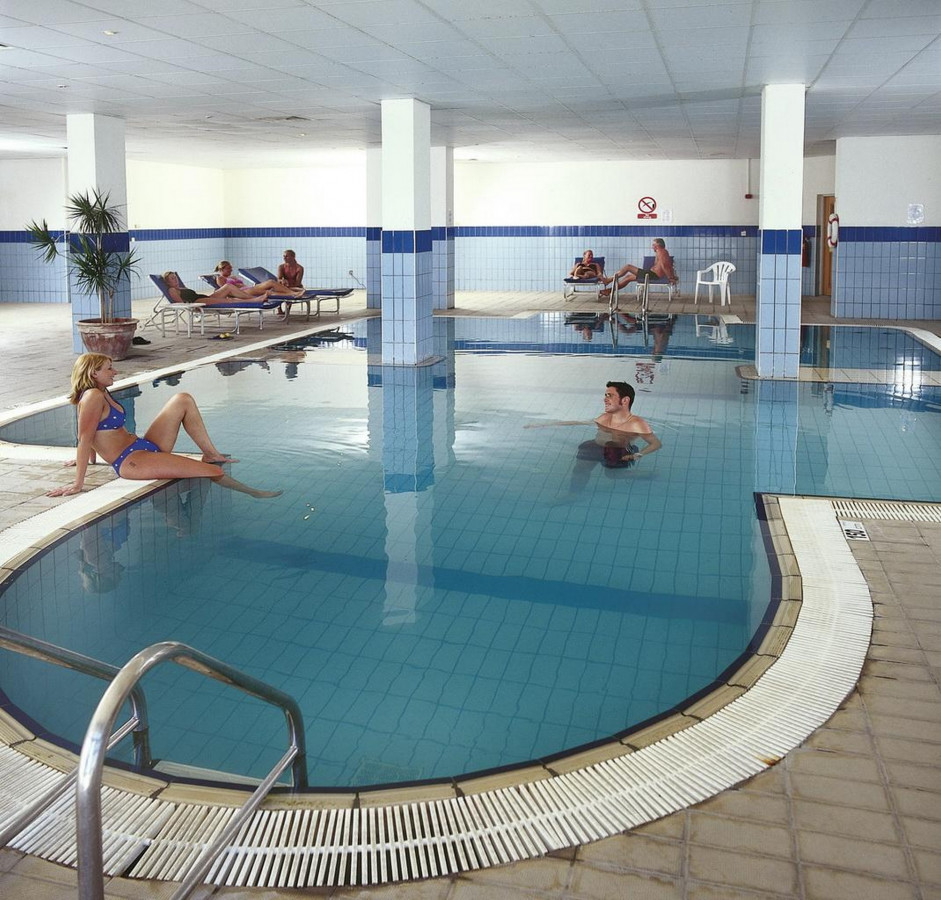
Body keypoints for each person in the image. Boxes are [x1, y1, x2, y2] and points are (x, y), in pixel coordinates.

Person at [47, 353, 281, 499]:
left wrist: (90, 457)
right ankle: (254, 493)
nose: (115, 371)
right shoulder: (92, 397)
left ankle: (210, 453)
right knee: (214, 472)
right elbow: (85, 437)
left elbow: (94, 435)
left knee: (183, 399)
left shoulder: (102, 391)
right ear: (93, 372)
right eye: (109, 368)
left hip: (143, 445)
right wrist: (78, 483)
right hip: (131, 460)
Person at [526, 381, 662, 494]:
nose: (605, 399)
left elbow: (655, 444)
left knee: (612, 475)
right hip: (596, 446)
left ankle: (645, 474)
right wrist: (543, 424)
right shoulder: (605, 417)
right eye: (605, 395)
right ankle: (574, 494)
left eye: (610, 395)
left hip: (617, 450)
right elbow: (579, 423)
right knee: (580, 469)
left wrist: (637, 455)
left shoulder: (636, 423)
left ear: (625, 400)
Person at [600, 239, 678, 297]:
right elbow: (668, 265)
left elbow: (665, 265)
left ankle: (608, 280)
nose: (652, 246)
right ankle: (608, 291)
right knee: (628, 277)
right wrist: (673, 276)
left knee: (628, 267)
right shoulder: (661, 252)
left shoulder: (661, 252)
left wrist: (670, 277)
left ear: (657, 245)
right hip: (651, 274)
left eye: (653, 245)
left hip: (652, 275)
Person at [161, 271, 272, 305]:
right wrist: (194, 307)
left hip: (203, 298)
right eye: (172, 278)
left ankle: (253, 298)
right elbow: (181, 304)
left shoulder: (181, 288)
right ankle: (256, 300)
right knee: (230, 300)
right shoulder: (172, 290)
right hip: (198, 302)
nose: (175, 280)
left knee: (228, 286)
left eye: (175, 277)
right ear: (167, 281)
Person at [214, 261, 305, 298]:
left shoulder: (232, 277)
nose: (231, 270)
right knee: (268, 290)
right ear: (221, 269)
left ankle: (292, 292)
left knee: (271, 283)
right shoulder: (220, 278)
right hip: (242, 293)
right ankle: (293, 293)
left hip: (247, 289)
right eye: (228, 269)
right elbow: (225, 290)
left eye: (231, 268)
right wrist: (237, 287)